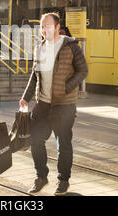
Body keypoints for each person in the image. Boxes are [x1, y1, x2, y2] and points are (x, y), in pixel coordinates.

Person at [19, 12, 88, 196]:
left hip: (64, 105)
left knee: (63, 144)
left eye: (48, 26)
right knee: (35, 140)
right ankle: (41, 176)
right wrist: (26, 97)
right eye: (42, 27)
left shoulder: (71, 46)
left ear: (57, 27)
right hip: (42, 104)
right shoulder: (39, 47)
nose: (44, 30)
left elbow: (83, 70)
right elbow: (35, 75)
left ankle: (63, 181)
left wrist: (67, 87)